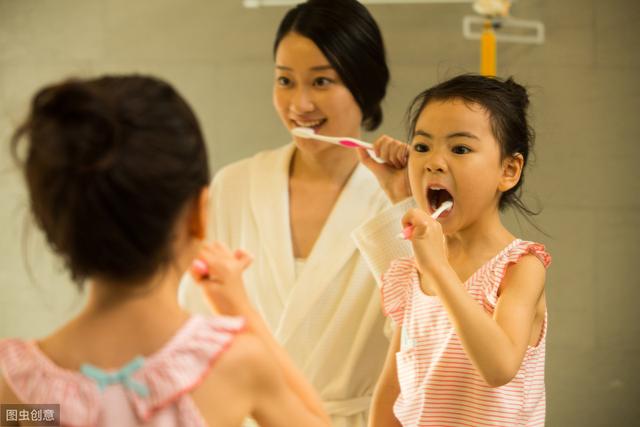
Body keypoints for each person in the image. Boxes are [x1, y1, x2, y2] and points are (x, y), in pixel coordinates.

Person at [0, 75, 331, 427]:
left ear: (56, 224)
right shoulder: (235, 365)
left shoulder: (20, 389)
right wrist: (241, 310)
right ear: (198, 215)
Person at [179, 1, 403, 425]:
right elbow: (196, 321)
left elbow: (420, 336)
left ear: (364, 84)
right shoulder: (235, 185)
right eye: (285, 80)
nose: (299, 104)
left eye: (321, 81)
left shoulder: (398, 203)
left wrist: (406, 202)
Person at [356, 74, 552, 426]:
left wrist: (438, 270)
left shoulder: (521, 266)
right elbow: (393, 389)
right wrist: (399, 193)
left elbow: (500, 367)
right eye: (422, 147)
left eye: (460, 149)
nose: (434, 162)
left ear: (508, 170)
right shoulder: (414, 269)